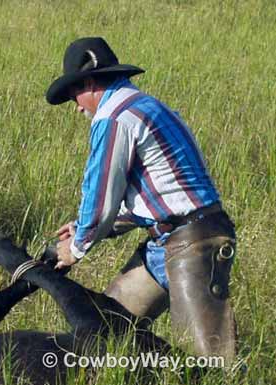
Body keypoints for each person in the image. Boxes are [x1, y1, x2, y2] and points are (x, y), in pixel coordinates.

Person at [45, 37, 238, 363]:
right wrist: (90, 228)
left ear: (89, 82)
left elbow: (101, 195)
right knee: (107, 331)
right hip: (178, 237)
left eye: (74, 96)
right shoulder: (147, 105)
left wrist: (77, 245)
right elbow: (152, 197)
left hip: (192, 242)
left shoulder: (113, 118)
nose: (77, 107)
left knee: (212, 359)